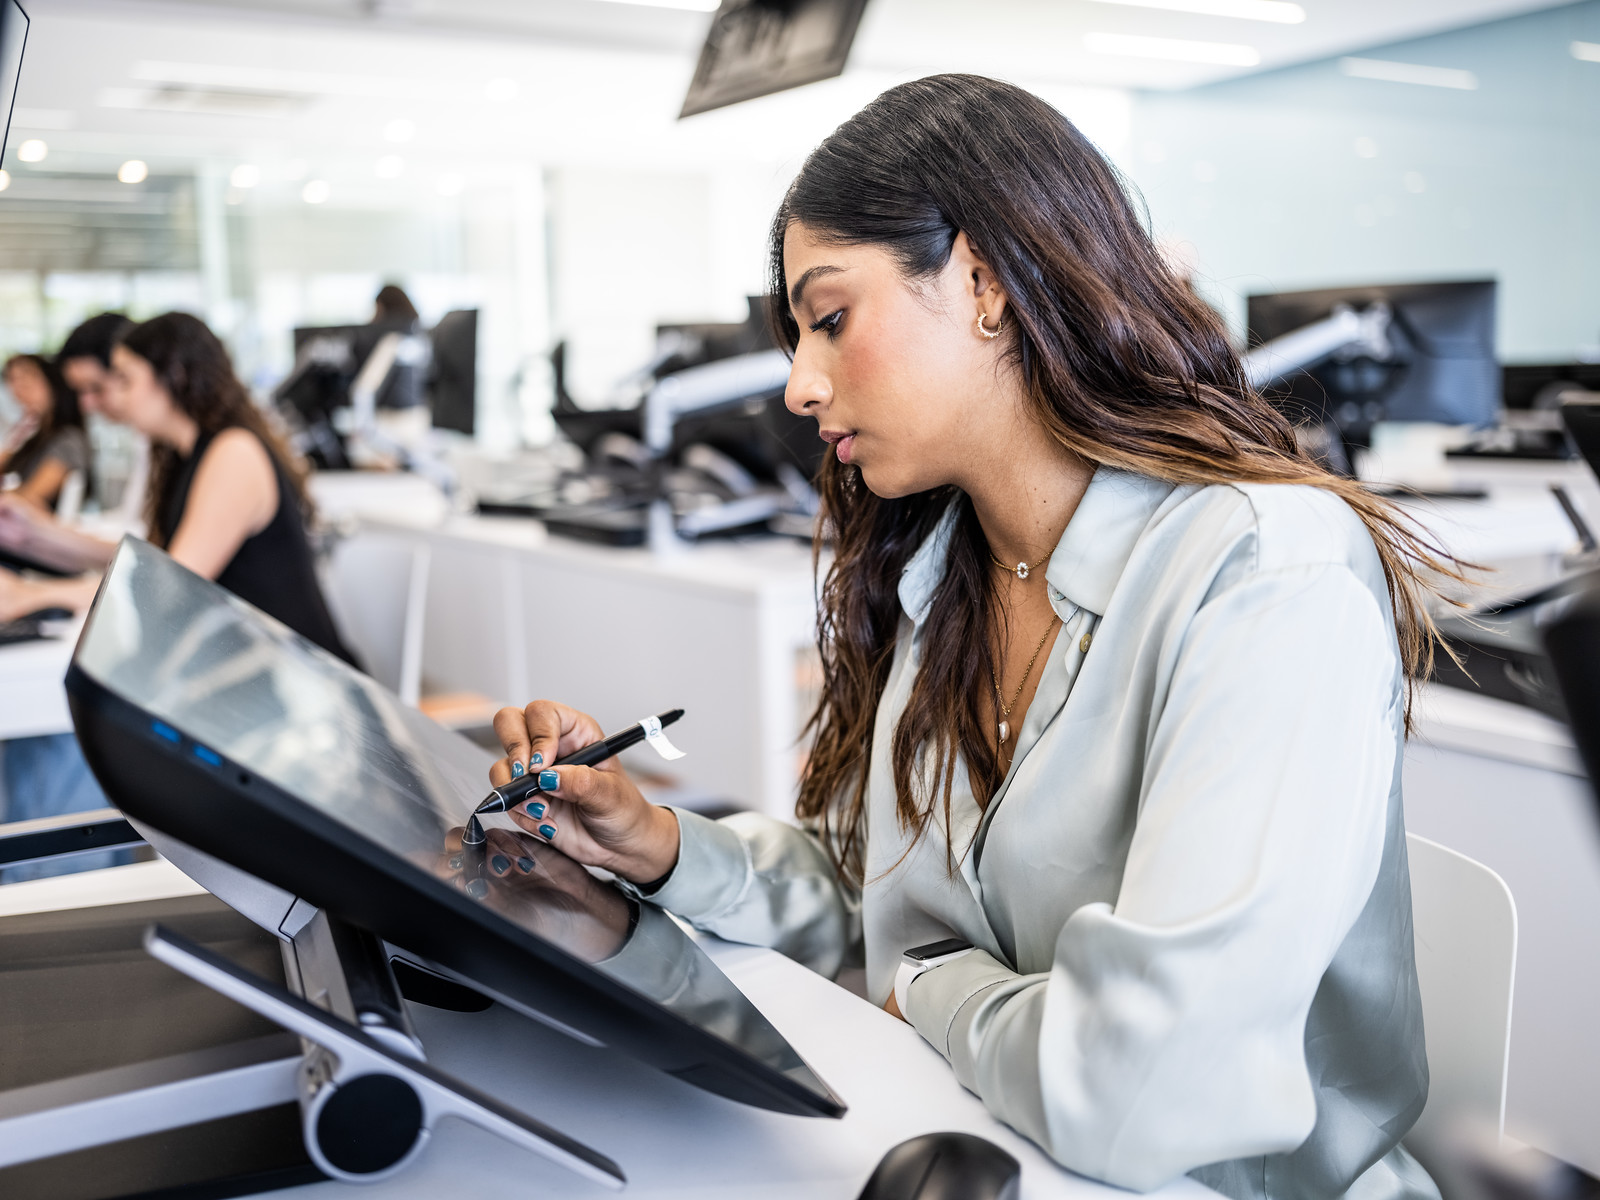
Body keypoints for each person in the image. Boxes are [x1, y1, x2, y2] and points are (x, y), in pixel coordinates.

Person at [486, 77, 1461, 1200]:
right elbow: (874, 898)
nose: (800, 385)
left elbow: (1136, 1088)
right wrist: (656, 845)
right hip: (994, 1148)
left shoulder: (1261, 569)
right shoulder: (947, 568)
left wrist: (933, 987)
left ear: (986, 281)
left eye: (832, 319)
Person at [0, 311, 353, 661]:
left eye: (125, 380)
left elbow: (166, 587)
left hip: (304, 680)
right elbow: (149, 562)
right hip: (254, 667)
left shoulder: (233, 453)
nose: (117, 398)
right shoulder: (182, 458)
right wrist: (33, 536)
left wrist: (31, 594)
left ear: (176, 376)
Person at [0, 354, 91, 511]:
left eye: (28, 376)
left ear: (52, 381)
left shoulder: (68, 439)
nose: (19, 387)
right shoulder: (31, 435)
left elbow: (32, 498)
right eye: (12, 380)